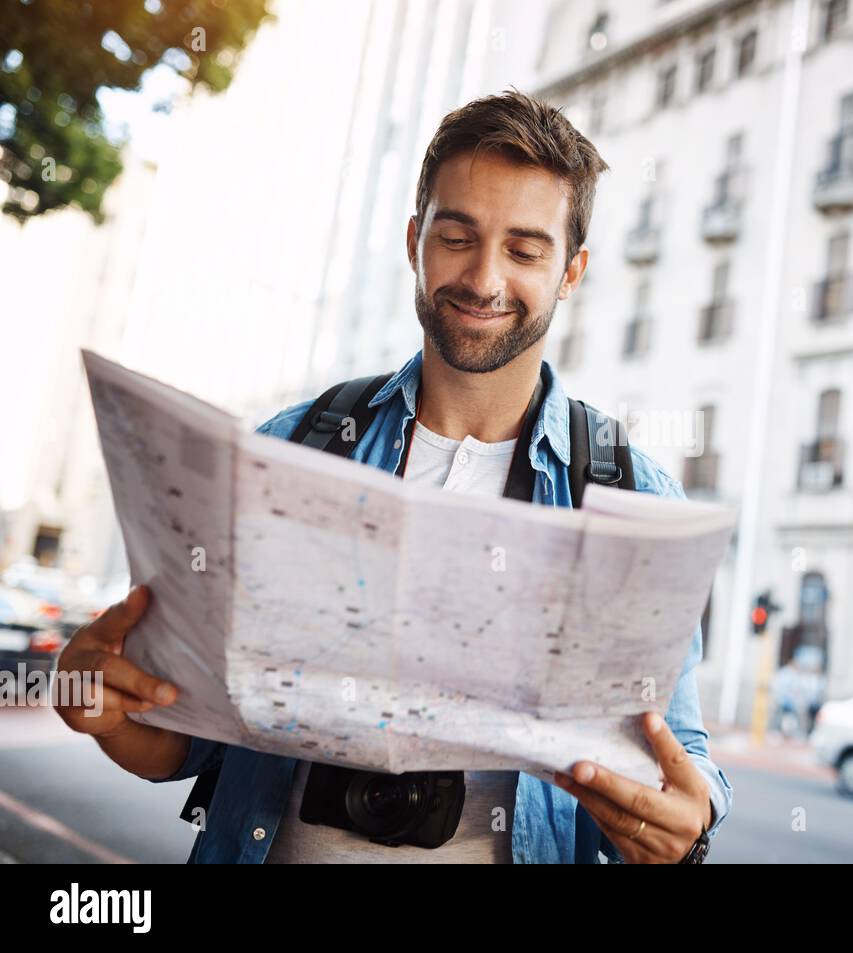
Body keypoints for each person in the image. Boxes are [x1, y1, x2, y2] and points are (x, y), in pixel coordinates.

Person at [54, 89, 732, 864]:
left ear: (571, 271)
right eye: (456, 236)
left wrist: (689, 820)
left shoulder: (632, 496)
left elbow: (680, 752)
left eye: (524, 249)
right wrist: (101, 707)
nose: (483, 278)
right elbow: (186, 745)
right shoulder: (294, 449)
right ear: (415, 239)